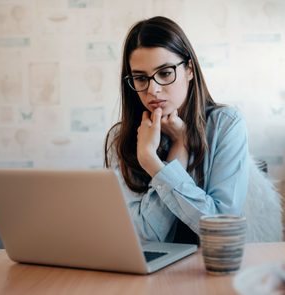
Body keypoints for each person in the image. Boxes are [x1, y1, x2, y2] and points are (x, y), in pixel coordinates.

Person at [104, 16, 249, 245]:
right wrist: (177, 153)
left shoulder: (226, 125)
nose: (153, 90)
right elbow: (144, 237)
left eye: (165, 73)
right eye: (141, 78)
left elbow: (221, 230)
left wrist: (154, 164)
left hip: (210, 269)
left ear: (189, 70)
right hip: (149, 276)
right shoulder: (121, 138)